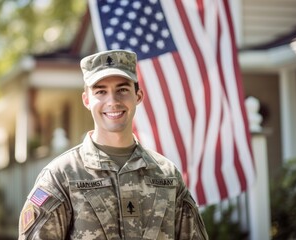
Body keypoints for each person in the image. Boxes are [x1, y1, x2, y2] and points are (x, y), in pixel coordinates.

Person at [18, 49, 208, 240]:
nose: (113, 101)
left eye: (122, 90)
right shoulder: (61, 176)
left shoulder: (167, 175)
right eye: (101, 91)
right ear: (86, 100)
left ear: (138, 96)